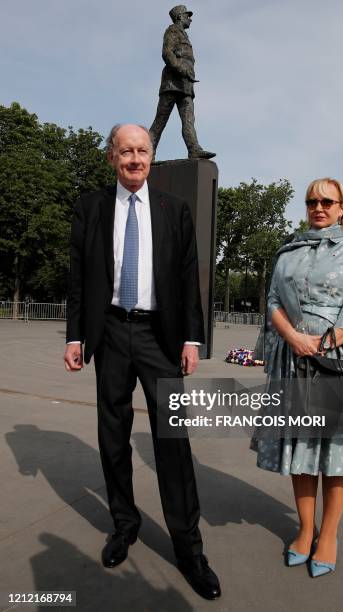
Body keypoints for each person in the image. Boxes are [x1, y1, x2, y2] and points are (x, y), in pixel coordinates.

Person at [64, 123, 221, 600]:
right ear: (112, 157)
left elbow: (187, 279)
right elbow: (79, 276)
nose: (135, 159)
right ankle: (124, 526)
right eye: (126, 151)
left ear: (152, 156)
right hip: (109, 333)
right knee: (112, 437)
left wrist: (192, 340)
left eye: (142, 150)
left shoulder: (175, 211)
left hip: (160, 336)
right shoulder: (90, 207)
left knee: (171, 440)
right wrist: (75, 336)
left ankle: (189, 547)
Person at [252, 178, 343, 578]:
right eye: (312, 200)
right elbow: (274, 300)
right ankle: (305, 528)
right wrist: (294, 337)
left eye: (328, 201)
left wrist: (324, 343)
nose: (319, 207)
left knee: (336, 449)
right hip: (293, 357)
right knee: (300, 448)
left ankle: (328, 534)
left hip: (338, 360)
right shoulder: (288, 252)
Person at [149, 5, 215, 159]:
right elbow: (167, 53)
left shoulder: (184, 35)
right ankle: (147, 153)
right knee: (160, 121)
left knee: (189, 120)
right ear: (179, 17)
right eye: (187, 16)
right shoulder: (172, 30)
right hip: (172, 82)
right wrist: (180, 68)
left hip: (186, 84)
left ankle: (194, 149)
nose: (190, 19)